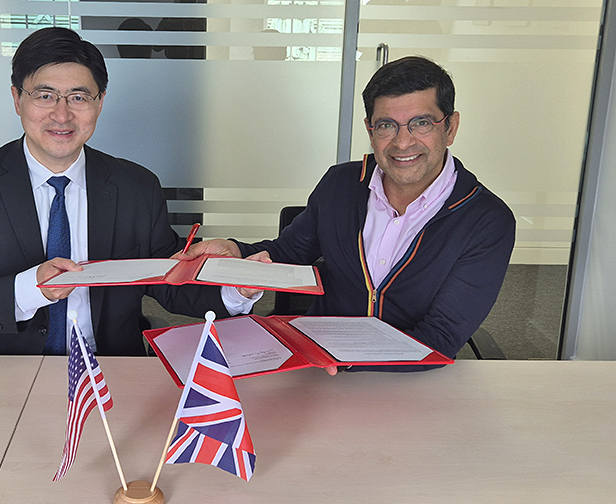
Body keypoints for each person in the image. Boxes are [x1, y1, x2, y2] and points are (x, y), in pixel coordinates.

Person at [0, 27, 252, 356]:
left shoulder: (136, 187)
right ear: (18, 99)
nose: (62, 114)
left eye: (78, 97)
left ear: (100, 102)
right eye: (44, 95)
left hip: (110, 374)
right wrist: (33, 289)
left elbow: (168, 282)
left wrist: (236, 288)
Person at [176, 56, 516, 362]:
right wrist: (236, 251)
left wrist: (343, 359)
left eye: (421, 123)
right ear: (371, 130)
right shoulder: (341, 184)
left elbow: (440, 337)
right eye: (386, 125)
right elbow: (286, 254)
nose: (402, 142)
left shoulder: (486, 220)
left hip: (405, 382)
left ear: (450, 127)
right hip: (314, 367)